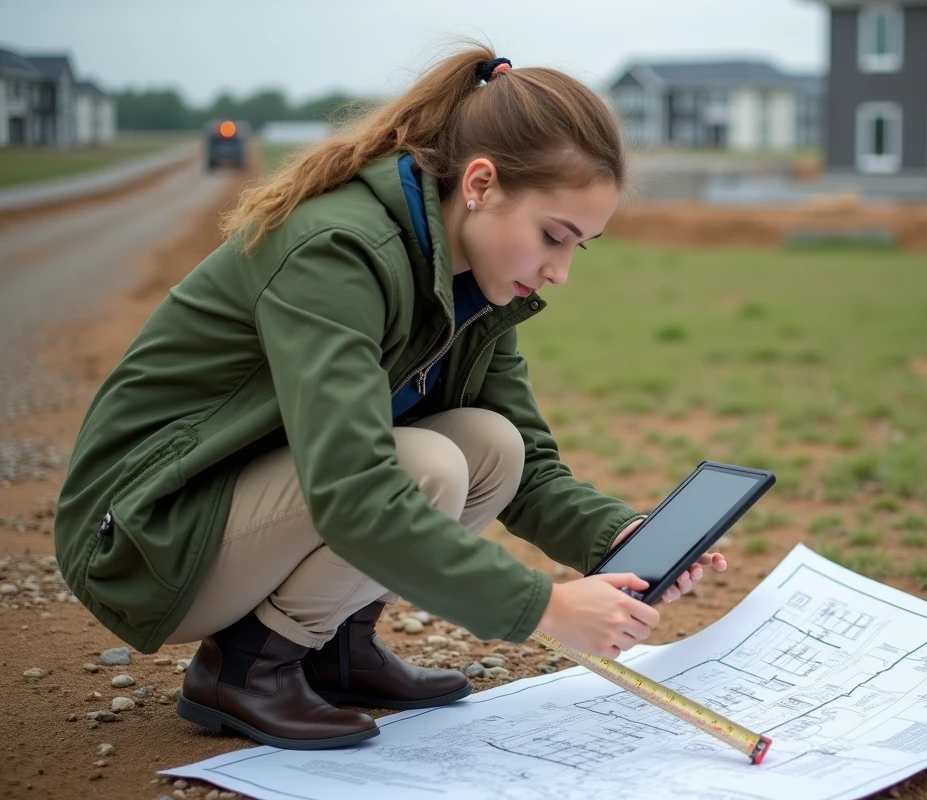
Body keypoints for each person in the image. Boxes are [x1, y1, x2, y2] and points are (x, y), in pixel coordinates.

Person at [52, 46, 728, 751]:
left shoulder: (479, 283)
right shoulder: (338, 250)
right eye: (552, 236)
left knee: (490, 446)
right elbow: (353, 488)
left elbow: (525, 465)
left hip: (243, 500)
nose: (558, 271)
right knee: (425, 465)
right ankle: (246, 668)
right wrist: (546, 608)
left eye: (577, 248)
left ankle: (339, 649)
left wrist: (617, 540)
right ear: (481, 183)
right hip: (143, 530)